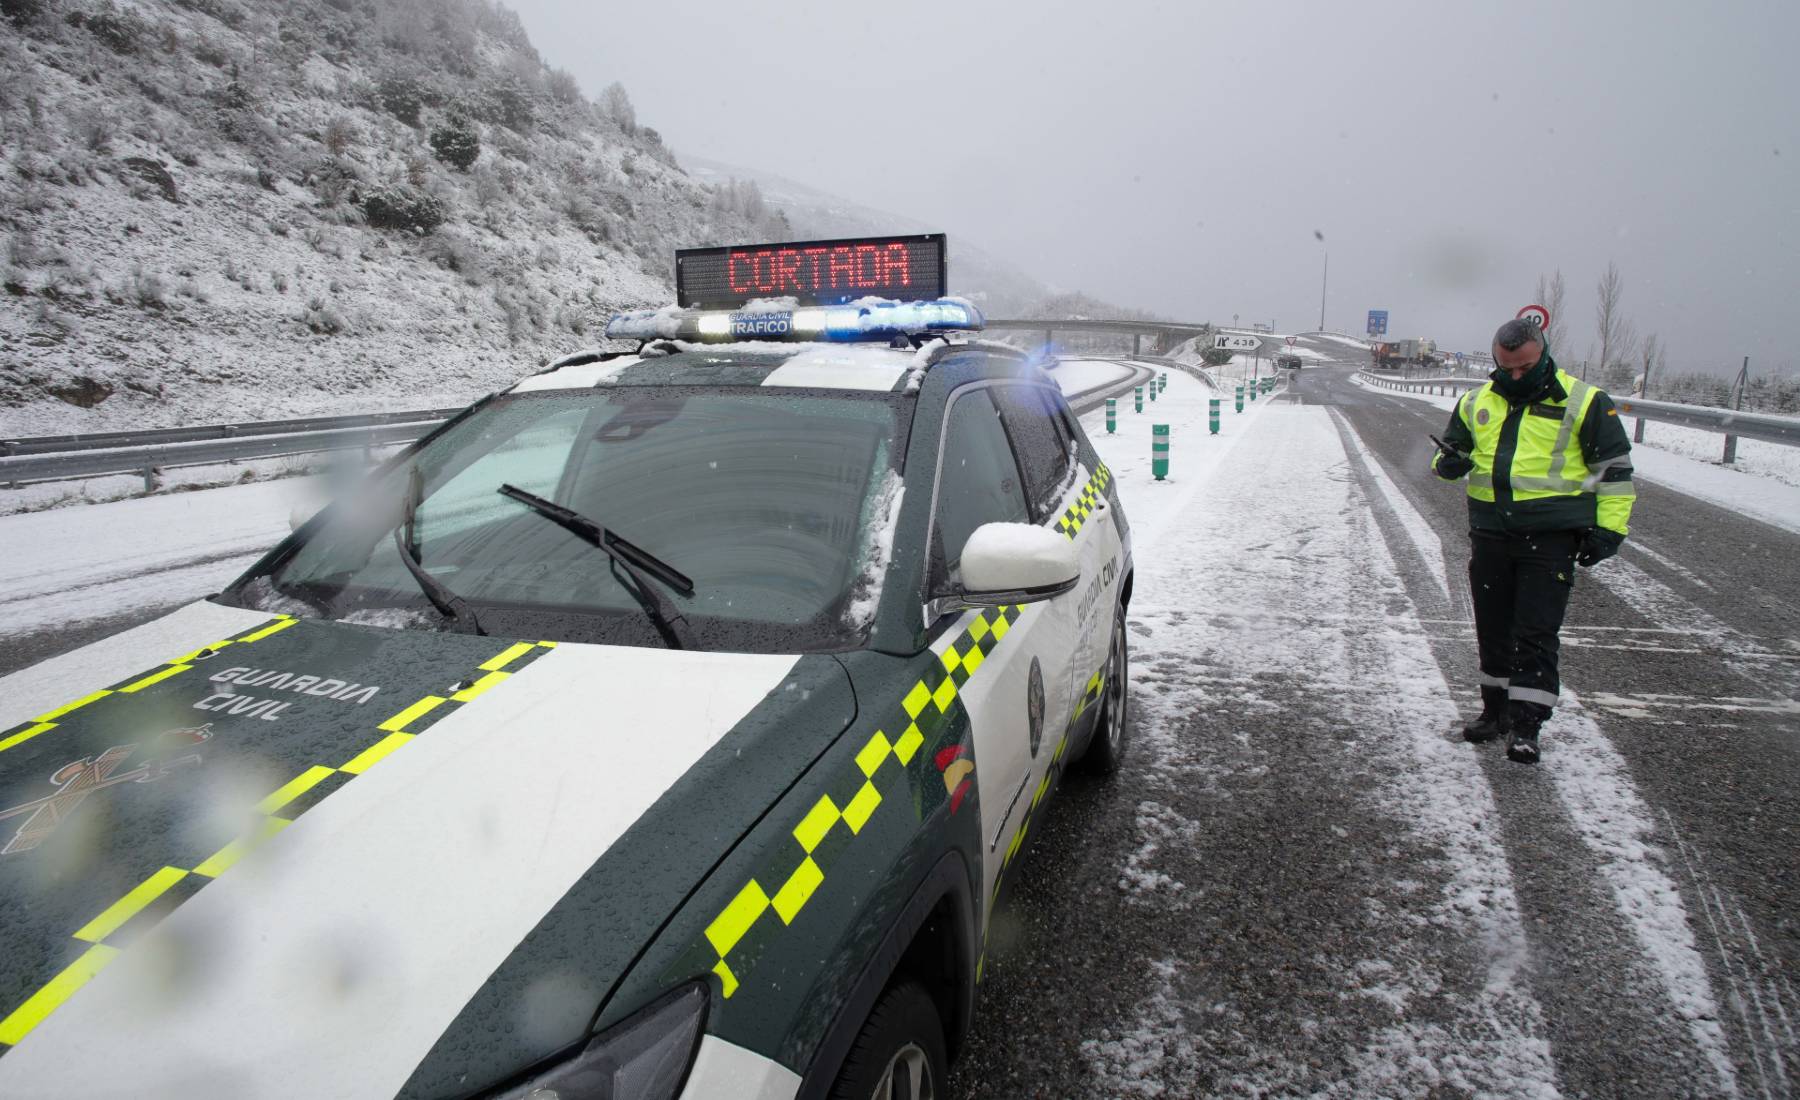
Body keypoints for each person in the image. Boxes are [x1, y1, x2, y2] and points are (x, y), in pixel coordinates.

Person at [1430, 319, 1636, 764]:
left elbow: (1615, 472)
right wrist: (1447, 463)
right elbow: (1447, 453)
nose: (1516, 376)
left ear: (1543, 353)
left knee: (1535, 633)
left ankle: (1527, 726)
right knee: (1493, 628)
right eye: (1507, 368)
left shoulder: (1585, 402)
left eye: (1525, 367)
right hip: (1490, 534)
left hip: (1550, 537)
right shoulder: (1475, 401)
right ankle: (1494, 712)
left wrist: (1610, 530)